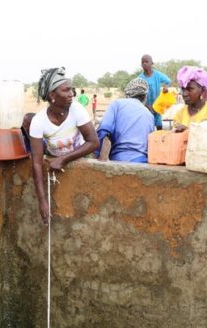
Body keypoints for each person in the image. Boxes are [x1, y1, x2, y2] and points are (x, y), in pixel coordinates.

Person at [29, 67, 99, 224]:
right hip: (57, 167)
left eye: (71, 90)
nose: (71, 94)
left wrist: (64, 159)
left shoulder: (77, 110)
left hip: (82, 159)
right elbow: (37, 163)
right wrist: (42, 201)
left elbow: (93, 142)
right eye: (66, 90)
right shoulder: (38, 121)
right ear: (52, 95)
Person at [95, 77, 155, 163]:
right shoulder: (150, 115)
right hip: (143, 163)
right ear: (145, 96)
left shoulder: (117, 104)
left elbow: (104, 131)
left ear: (127, 93)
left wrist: (102, 159)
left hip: (119, 160)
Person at [173, 66, 207, 132]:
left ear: (203, 90)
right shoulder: (179, 114)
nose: (184, 94)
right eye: (183, 90)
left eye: (190, 89)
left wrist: (188, 131)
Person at [138, 55, 172, 130]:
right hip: (146, 107)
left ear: (152, 63)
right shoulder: (140, 78)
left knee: (159, 125)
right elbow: (138, 95)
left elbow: (169, 81)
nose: (144, 64)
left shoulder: (157, 75)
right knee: (147, 126)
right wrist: (146, 106)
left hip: (157, 105)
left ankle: (159, 140)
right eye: (142, 62)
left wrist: (166, 87)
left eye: (146, 62)